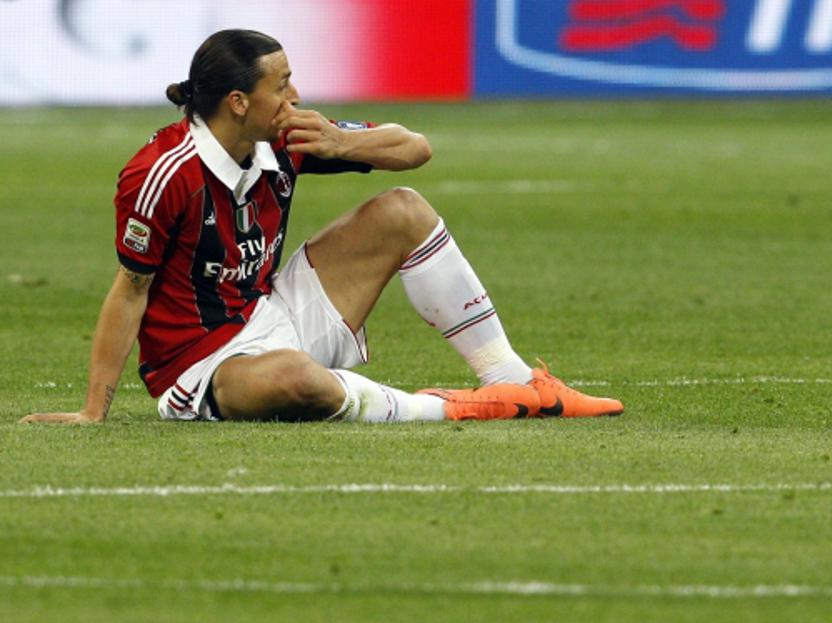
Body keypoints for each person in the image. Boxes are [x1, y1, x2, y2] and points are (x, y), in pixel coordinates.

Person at [20, 29, 622, 425]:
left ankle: (517, 383)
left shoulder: (286, 133)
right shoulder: (162, 174)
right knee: (294, 379)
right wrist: (93, 412)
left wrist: (341, 139)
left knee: (403, 208)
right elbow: (130, 290)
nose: (295, 95)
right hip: (201, 368)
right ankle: (460, 408)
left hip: (272, 311)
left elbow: (416, 148)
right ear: (236, 101)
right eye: (280, 85)